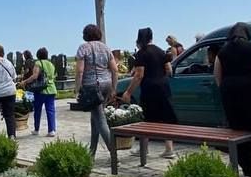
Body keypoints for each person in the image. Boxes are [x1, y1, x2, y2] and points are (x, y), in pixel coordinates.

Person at [214, 22, 251, 177]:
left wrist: (228, 90)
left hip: (231, 96)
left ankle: (247, 168)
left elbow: (218, 76)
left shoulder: (222, 52)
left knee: (237, 133)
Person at [121, 28, 177, 158]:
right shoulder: (161, 51)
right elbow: (169, 70)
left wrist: (128, 92)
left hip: (150, 89)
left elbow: (139, 75)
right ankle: (169, 149)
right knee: (165, 117)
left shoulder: (142, 53)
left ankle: (144, 149)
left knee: (146, 119)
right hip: (163, 87)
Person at [75, 24, 118, 160]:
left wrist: (77, 88)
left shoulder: (84, 48)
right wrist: (113, 88)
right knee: (96, 117)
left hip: (92, 86)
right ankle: (91, 153)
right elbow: (115, 70)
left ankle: (114, 154)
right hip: (106, 84)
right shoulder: (105, 47)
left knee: (100, 119)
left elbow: (80, 71)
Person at [19, 47, 58, 137]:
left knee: (37, 110)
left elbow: (35, 76)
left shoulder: (38, 63)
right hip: (51, 89)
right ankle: (52, 130)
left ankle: (36, 129)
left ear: (38, 55)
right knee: (51, 110)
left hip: (41, 90)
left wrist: (24, 82)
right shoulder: (51, 64)